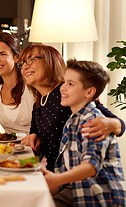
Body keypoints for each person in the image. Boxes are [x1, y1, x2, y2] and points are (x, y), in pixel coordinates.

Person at [20, 44, 125, 172]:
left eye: (31, 59)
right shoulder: (39, 103)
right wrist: (34, 137)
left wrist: (112, 124)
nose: (25, 66)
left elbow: (118, 124)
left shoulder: (67, 93)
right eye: (23, 62)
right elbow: (35, 134)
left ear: (51, 61)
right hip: (53, 172)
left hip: (73, 177)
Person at [42, 59, 125, 206]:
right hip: (75, 189)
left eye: (70, 84)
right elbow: (69, 166)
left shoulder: (93, 121)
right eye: (64, 82)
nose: (62, 88)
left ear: (89, 92)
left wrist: (56, 179)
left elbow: (91, 165)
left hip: (98, 196)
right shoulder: (73, 120)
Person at [0, 32, 35, 134]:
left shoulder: (31, 85)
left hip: (35, 147)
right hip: (9, 147)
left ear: (16, 57)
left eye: (2, 54)